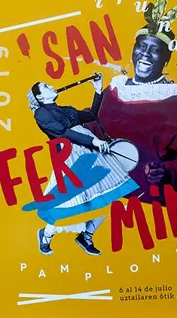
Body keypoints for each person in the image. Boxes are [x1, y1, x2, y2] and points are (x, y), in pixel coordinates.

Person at [92, 0, 177, 206]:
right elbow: (93, 129)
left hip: (146, 203)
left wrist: (166, 170)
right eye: (141, 46)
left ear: (166, 59)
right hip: (104, 197)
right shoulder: (114, 90)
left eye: (155, 50)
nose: (145, 54)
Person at [29, 77, 138, 256]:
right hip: (70, 155)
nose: (52, 85)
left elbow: (91, 115)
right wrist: (93, 140)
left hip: (91, 151)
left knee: (108, 195)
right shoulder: (41, 113)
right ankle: (46, 235)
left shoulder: (66, 109)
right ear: (40, 97)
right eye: (46, 86)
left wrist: (97, 90)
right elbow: (63, 132)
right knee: (70, 202)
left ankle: (86, 236)